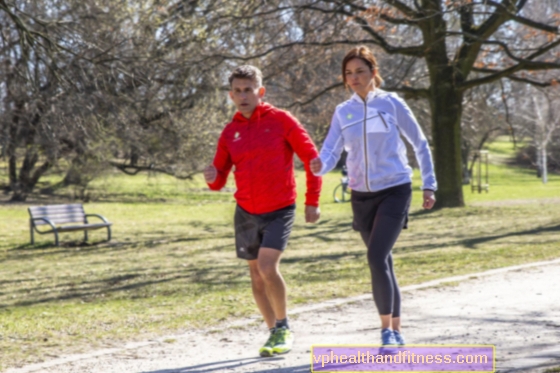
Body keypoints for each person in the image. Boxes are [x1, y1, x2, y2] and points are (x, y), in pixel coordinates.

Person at [310, 46, 437, 347]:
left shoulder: (391, 103)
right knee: (384, 262)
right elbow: (331, 149)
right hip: (361, 195)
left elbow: (420, 144)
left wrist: (428, 184)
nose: (354, 78)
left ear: (373, 73)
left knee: (376, 256)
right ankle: (397, 328)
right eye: (349, 73)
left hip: (394, 188)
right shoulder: (344, 111)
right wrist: (320, 165)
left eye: (360, 72)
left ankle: (386, 332)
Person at [204, 65, 322, 357]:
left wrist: (312, 200)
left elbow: (312, 159)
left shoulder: (282, 121)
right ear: (231, 95)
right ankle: (273, 333)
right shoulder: (230, 132)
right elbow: (219, 180)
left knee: (268, 267)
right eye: (238, 91)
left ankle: (283, 326)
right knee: (256, 276)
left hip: (279, 208)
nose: (243, 96)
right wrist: (211, 177)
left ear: (261, 91)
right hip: (245, 210)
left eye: (249, 90)